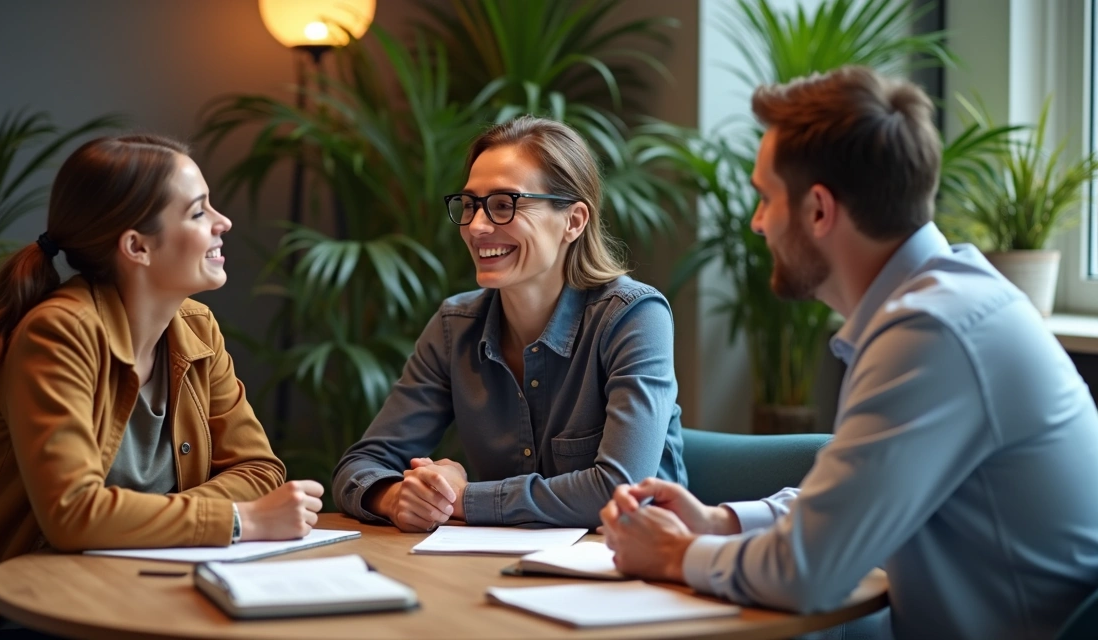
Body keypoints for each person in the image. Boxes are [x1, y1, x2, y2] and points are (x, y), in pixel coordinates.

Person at [601, 66, 1098, 640]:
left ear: (819, 210)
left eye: (765, 198)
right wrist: (719, 521)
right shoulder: (940, 303)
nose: (757, 223)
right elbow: (848, 503)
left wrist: (674, 553)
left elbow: (804, 572)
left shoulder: (932, 333)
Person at [0, 135, 324, 640]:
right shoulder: (59, 333)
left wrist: (188, 517)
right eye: (199, 212)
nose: (222, 222)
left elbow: (260, 469)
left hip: (118, 584)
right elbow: (73, 514)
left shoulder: (196, 327)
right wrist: (241, 519)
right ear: (137, 246)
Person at [332, 116, 687, 532]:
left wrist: (464, 499)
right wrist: (399, 497)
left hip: (630, 563)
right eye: (470, 205)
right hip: (498, 563)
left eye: (505, 204)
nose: (477, 227)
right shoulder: (454, 327)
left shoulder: (634, 316)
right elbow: (360, 466)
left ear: (573, 221)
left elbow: (618, 491)